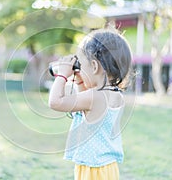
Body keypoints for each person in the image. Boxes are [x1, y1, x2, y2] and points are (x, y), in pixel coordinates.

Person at [48, 28, 132, 180]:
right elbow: (86, 107)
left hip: (92, 169)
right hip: (107, 167)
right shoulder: (115, 95)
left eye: (82, 65)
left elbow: (55, 102)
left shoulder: (94, 97)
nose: (79, 69)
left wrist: (62, 75)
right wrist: (80, 79)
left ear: (94, 66)